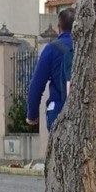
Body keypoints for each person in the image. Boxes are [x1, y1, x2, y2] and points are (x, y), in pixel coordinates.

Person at [26, 7, 75, 136]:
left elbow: (36, 85)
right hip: (85, 113)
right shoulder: (87, 47)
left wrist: (32, 116)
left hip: (58, 111)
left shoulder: (52, 49)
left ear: (59, 27)